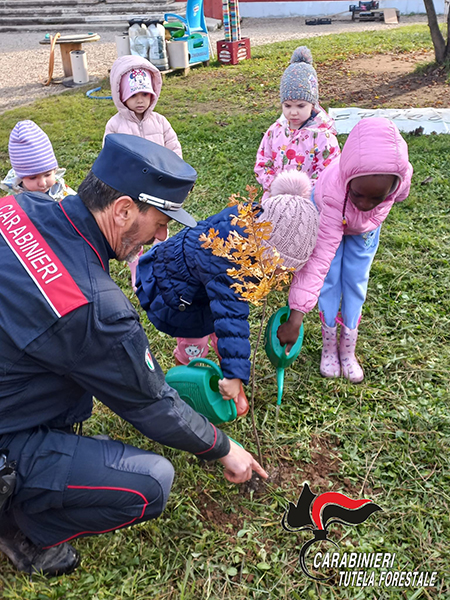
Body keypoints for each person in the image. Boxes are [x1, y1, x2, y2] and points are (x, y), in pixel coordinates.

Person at [0, 134, 267, 578]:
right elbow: (149, 402)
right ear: (123, 209)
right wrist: (223, 447)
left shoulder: (18, 209)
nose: (162, 235)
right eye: (160, 221)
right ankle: (19, 523)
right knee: (150, 483)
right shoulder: (94, 308)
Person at [136, 170, 320, 415]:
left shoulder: (256, 221)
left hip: (204, 291)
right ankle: (190, 377)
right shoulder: (230, 261)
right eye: (277, 269)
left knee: (219, 328)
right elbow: (232, 316)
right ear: (265, 247)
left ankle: (226, 378)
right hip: (178, 295)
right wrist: (237, 375)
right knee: (196, 342)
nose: (278, 277)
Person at [277, 118, 413, 383]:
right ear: (348, 180)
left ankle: (347, 348)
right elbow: (318, 262)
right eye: (359, 194)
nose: (364, 204)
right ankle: (329, 345)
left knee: (355, 282)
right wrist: (296, 317)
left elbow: (402, 194)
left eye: (376, 198)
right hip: (332, 218)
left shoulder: (401, 179)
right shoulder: (333, 194)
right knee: (329, 279)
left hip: (365, 230)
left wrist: (372, 209)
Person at [104, 55, 182, 288]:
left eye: (145, 94)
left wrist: (172, 174)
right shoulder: (115, 125)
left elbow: (174, 150)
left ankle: (160, 263)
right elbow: (110, 157)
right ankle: (138, 273)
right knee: (135, 231)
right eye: (133, 95)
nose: (140, 101)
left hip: (158, 188)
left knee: (159, 227)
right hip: (132, 191)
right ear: (121, 96)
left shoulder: (160, 122)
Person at [254, 46, 340, 200]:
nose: (293, 112)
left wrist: (304, 192)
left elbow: (329, 171)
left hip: (308, 202)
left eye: (301, 106)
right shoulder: (275, 131)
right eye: (287, 106)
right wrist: (273, 186)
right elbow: (263, 161)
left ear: (313, 104)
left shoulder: (323, 136)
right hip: (275, 198)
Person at [0, 120, 75, 201]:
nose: (42, 183)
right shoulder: (17, 200)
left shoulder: (58, 187)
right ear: (21, 177)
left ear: (54, 170)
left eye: (47, 175)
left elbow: (75, 204)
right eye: (32, 178)